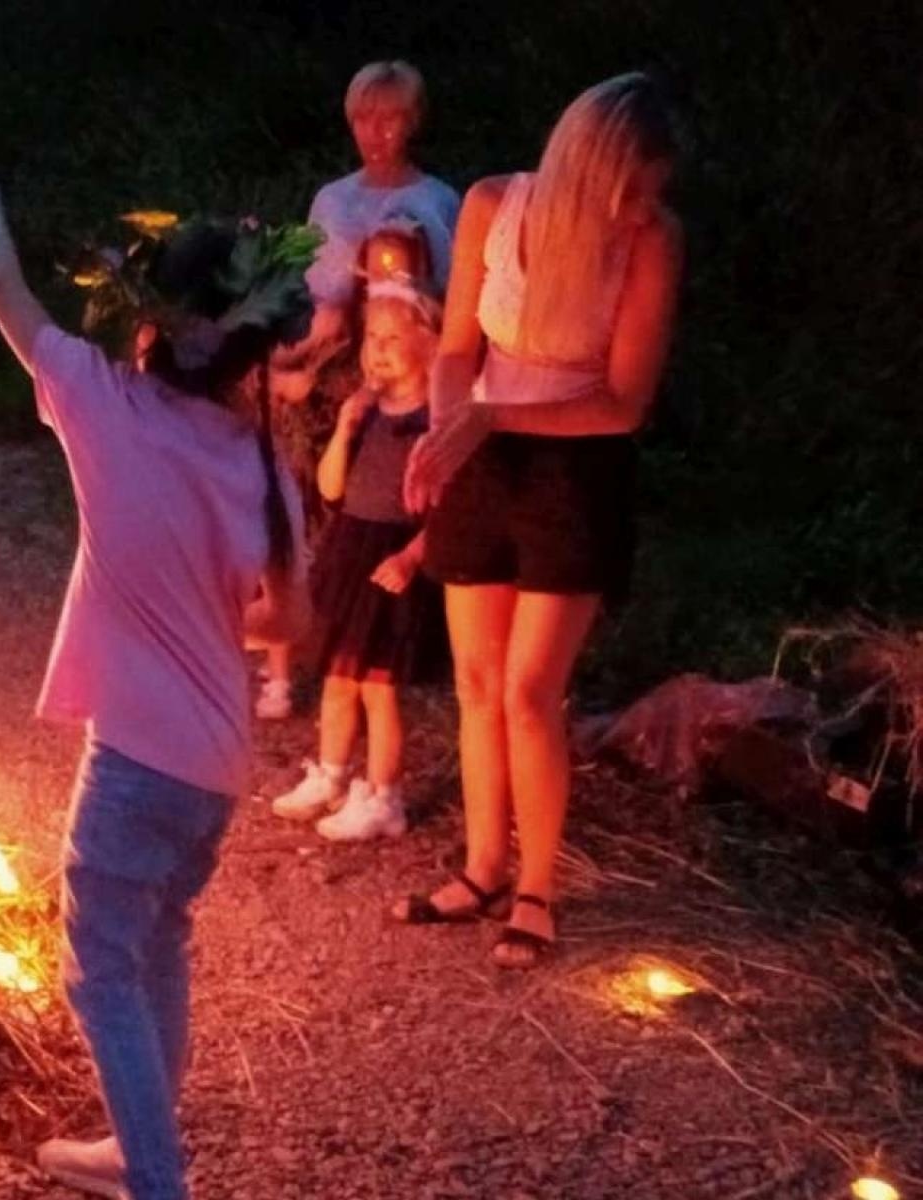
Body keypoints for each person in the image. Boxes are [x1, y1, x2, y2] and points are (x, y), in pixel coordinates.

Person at [0, 185, 312, 1199]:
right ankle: (129, 1151)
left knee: (99, 966)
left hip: (138, 760)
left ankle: (154, 1180)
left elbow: (7, 295)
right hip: (217, 765)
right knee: (158, 942)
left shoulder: (106, 406)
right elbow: (286, 625)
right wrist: (202, 592)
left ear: (148, 325)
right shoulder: (265, 465)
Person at [395, 73, 684, 967]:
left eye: (654, 190)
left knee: (528, 692)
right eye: (631, 187)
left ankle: (537, 886)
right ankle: (483, 867)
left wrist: (490, 416)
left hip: (576, 466)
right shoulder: (493, 205)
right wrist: (448, 431)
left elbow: (624, 404)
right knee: (476, 682)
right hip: (483, 454)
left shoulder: (653, 242)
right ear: (583, 166)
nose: (642, 207)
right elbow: (454, 352)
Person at [257, 59, 458, 720]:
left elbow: (445, 307)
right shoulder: (332, 200)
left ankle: (366, 657)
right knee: (290, 511)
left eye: (392, 115)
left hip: (396, 380)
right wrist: (282, 365)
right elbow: (315, 301)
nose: (377, 130)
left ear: (414, 120)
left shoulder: (437, 202)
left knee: (363, 523)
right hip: (329, 367)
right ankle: (282, 668)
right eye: (365, 116)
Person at [269, 226, 445, 841]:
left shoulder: (435, 423)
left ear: (430, 345)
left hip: (392, 559)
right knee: (339, 677)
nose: (379, 351)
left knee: (378, 687)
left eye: (395, 340)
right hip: (352, 548)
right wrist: (343, 431)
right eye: (373, 339)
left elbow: (448, 507)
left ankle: (383, 796)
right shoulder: (365, 412)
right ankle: (332, 773)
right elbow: (331, 490)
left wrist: (414, 556)